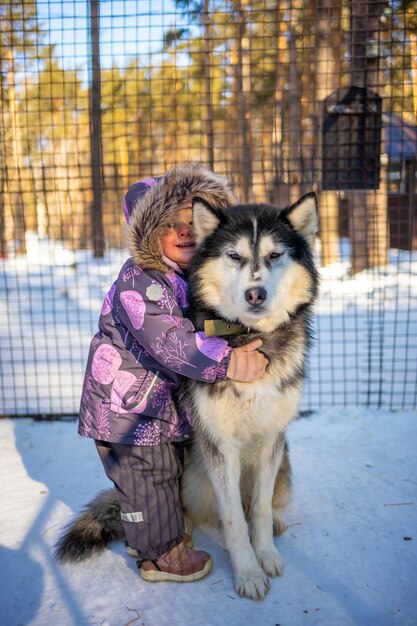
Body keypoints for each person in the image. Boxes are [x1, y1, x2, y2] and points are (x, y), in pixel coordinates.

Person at [78, 163, 268, 583]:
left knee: (168, 471)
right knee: (150, 476)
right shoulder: (142, 279)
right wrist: (229, 361)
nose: (185, 231)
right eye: (170, 224)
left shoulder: (185, 276)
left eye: (191, 222)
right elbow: (173, 341)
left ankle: (148, 530)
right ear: (147, 234)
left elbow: (206, 324)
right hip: (127, 411)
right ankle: (159, 555)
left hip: (157, 406)